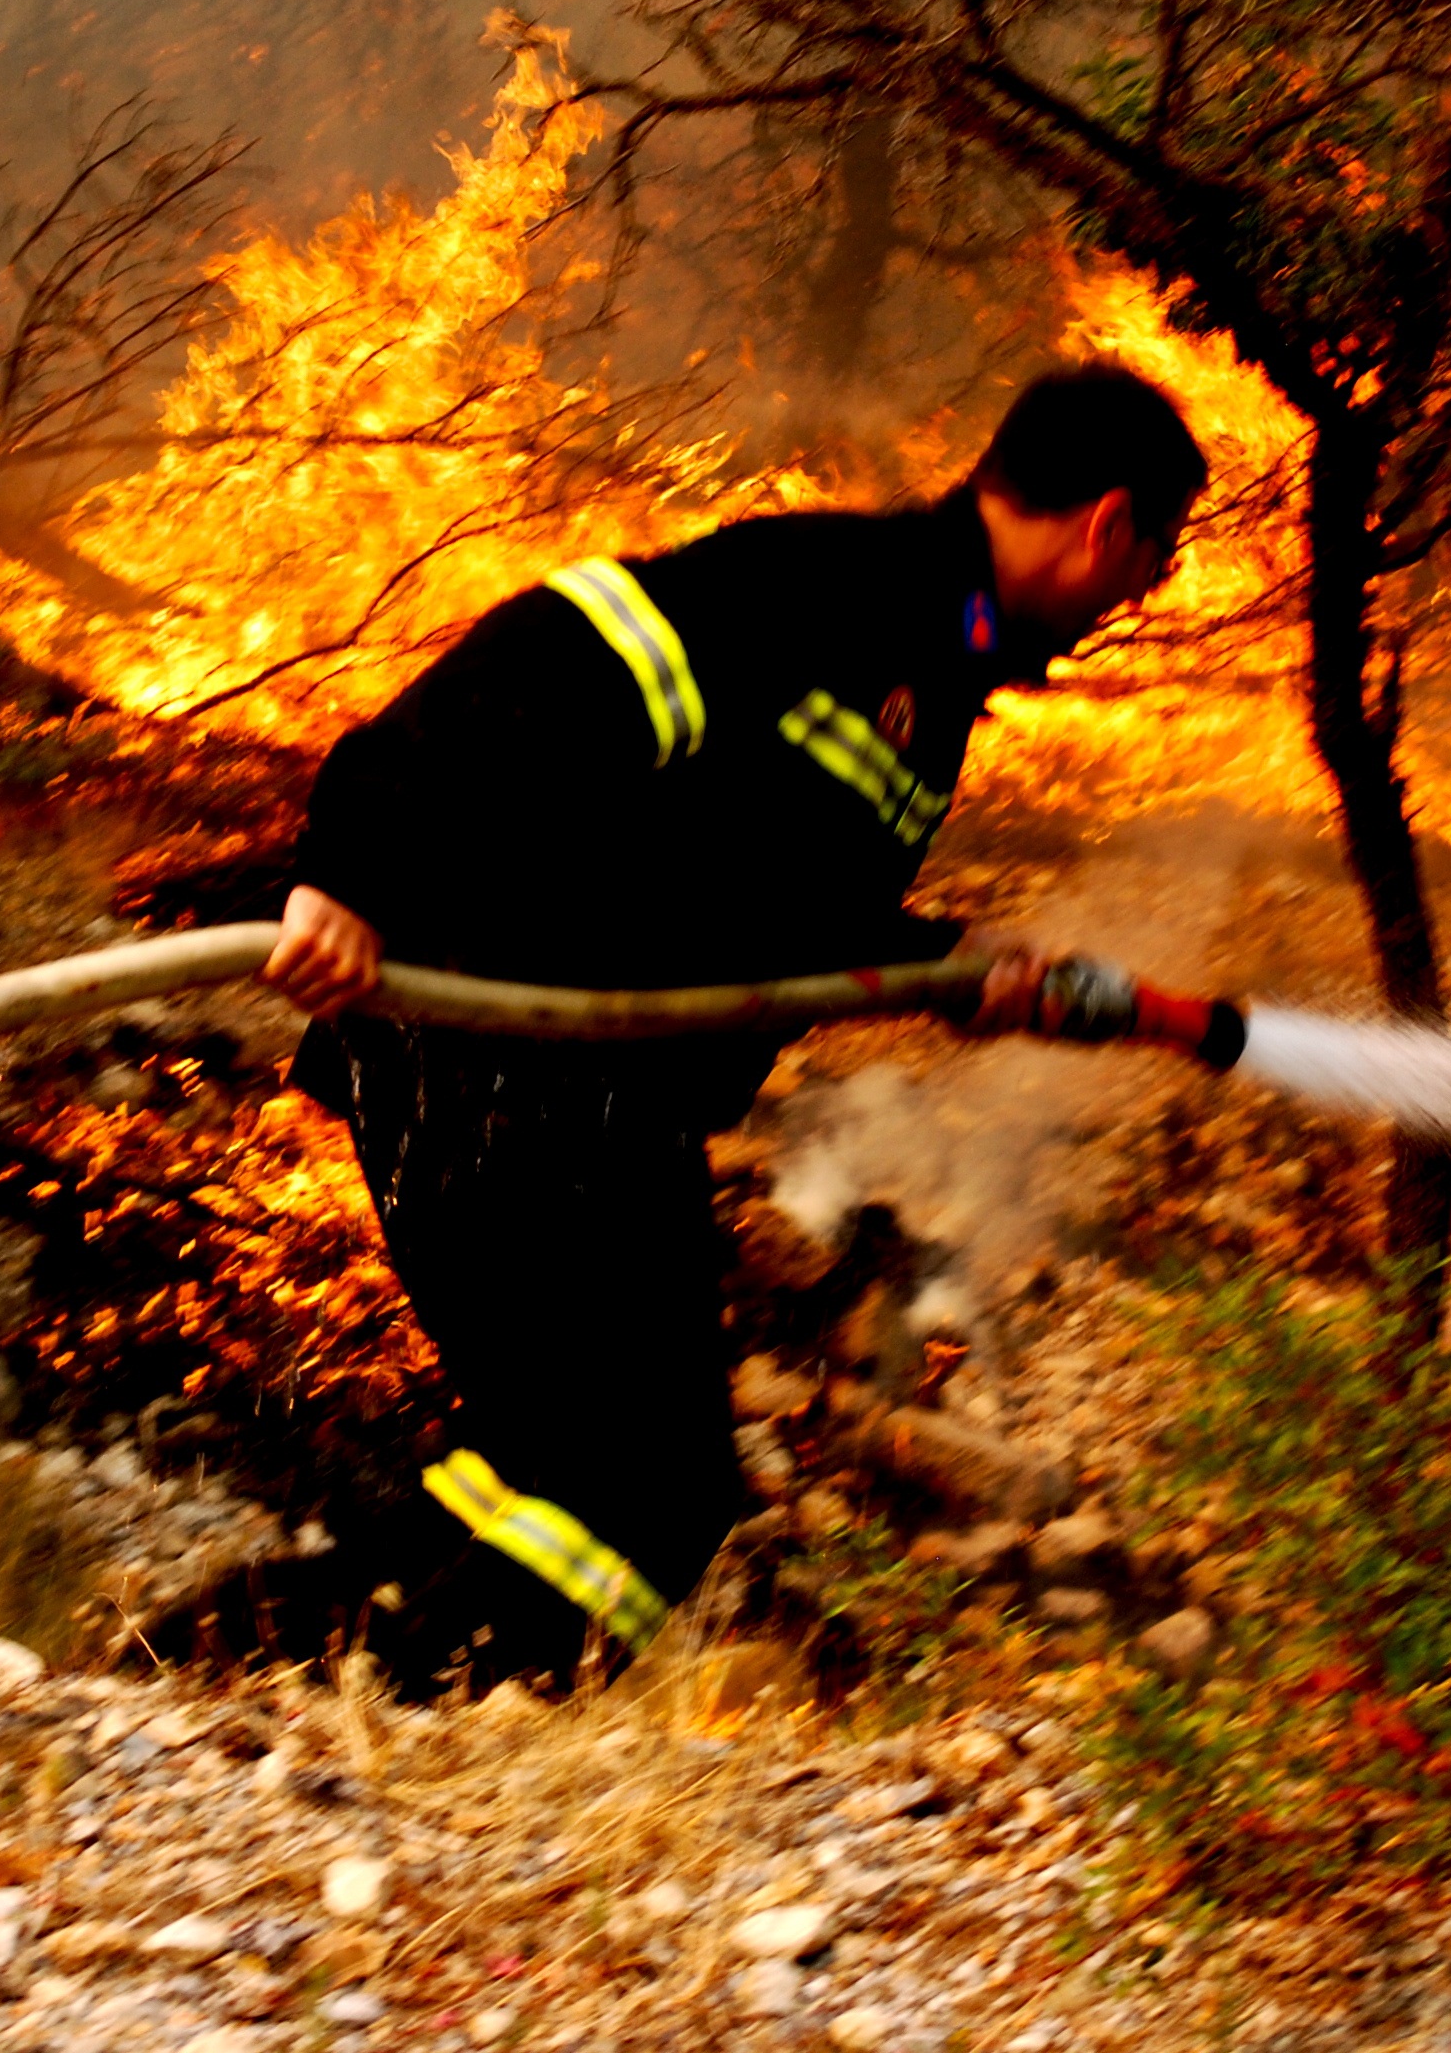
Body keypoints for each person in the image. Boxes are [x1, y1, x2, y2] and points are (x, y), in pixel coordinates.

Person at [253, 364, 1205, 1691]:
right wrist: (342, 874)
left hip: (590, 1088)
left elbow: (764, 905)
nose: (1127, 604)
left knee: (597, 1465)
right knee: (639, 1480)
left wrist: (951, 966)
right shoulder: (834, 589)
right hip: (486, 1049)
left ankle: (265, 1682)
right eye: (1146, 569)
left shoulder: (927, 667)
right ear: (1110, 526)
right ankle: (385, 1717)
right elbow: (535, 657)